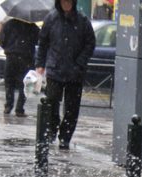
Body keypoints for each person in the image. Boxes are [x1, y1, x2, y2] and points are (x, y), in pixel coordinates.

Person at [35, 0, 96, 151]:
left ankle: (65, 137)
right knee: (51, 103)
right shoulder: (51, 18)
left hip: (75, 72)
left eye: (69, 2)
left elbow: (90, 44)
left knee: (72, 108)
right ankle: (51, 132)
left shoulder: (82, 21)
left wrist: (79, 63)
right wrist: (40, 65)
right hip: (55, 70)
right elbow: (42, 42)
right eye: (63, 2)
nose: (66, 4)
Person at [0, 18, 40, 116]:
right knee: (25, 83)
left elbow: (1, 39)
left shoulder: (9, 24)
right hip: (26, 58)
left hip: (11, 56)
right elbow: (39, 40)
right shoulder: (32, 27)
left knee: (9, 82)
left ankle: (8, 106)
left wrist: (9, 48)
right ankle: (19, 108)